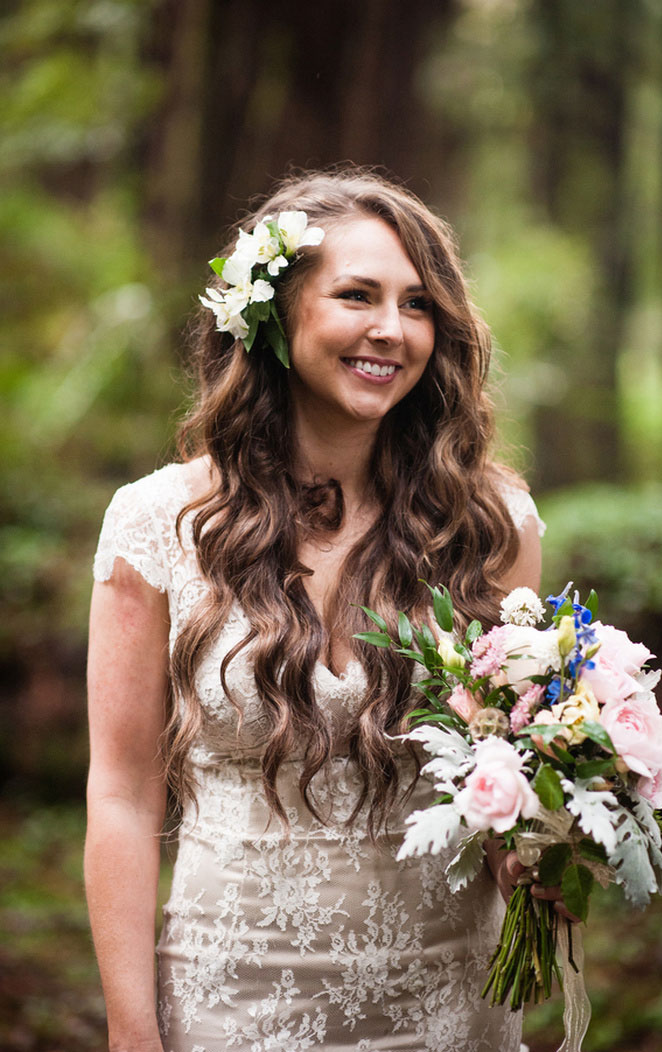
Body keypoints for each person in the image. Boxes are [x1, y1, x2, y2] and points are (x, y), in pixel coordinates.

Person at [85, 168, 553, 1052]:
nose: (391, 329)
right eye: (357, 295)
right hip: (232, 995)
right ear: (272, 313)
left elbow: (508, 770)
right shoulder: (155, 524)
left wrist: (550, 855)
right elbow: (121, 793)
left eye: (418, 305)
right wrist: (129, 1033)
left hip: (449, 998)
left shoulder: (490, 522)